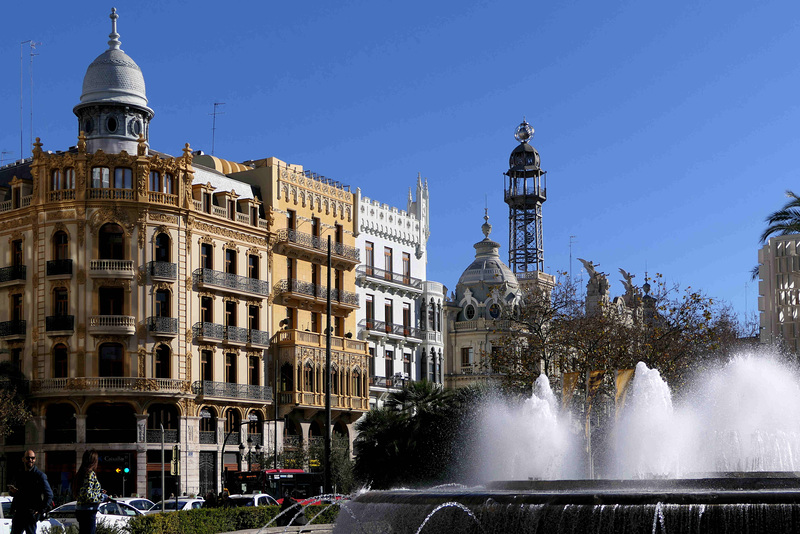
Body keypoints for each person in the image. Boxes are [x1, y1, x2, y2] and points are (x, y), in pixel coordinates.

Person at [8, 449, 54, 534]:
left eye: (32, 458)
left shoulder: (39, 476)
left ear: (35, 459)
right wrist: (13, 492)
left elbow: (49, 495)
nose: (30, 460)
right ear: (23, 459)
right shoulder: (19, 474)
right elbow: (14, 493)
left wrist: (40, 511)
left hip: (31, 514)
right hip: (19, 513)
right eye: (28, 458)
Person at [72, 450, 106, 534]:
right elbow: (88, 495)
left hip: (81, 510)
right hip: (88, 511)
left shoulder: (81, 473)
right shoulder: (90, 474)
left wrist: (99, 491)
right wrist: (103, 497)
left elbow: (84, 491)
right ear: (94, 461)